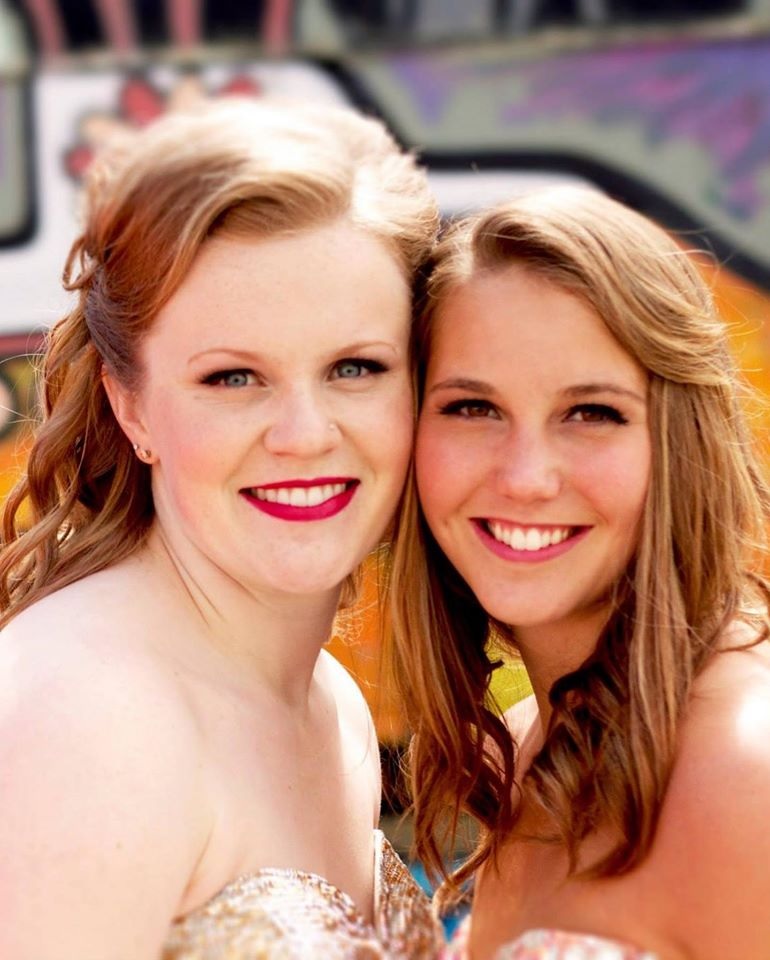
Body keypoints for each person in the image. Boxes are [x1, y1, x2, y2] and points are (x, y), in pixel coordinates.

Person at [0, 96, 442, 959]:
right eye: (234, 378)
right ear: (132, 408)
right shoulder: (90, 717)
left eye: (356, 367)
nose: (306, 433)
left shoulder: (331, 705)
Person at [389, 186, 770, 960]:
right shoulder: (536, 746)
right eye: (473, 408)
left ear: (677, 441)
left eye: (591, 413)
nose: (526, 476)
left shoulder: (744, 775)